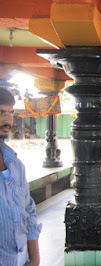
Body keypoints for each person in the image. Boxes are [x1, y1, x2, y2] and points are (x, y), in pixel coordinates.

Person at [0, 87, 42, 266]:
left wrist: (34, 258)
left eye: (10, 112)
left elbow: (29, 210)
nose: (7, 118)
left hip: (22, 258)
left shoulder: (16, 165)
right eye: (1, 112)